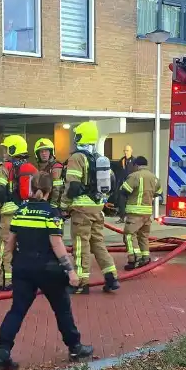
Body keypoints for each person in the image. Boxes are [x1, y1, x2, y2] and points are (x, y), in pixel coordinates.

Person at [0, 172, 95, 370]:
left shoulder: (20, 211)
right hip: (49, 270)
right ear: (50, 191)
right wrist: (71, 272)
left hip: (23, 269)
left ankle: (2, 351)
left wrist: (12, 264)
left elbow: (10, 242)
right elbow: (57, 245)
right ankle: (75, 347)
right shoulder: (51, 212)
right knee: (62, 309)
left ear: (31, 189)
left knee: (17, 310)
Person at [63, 121, 121, 294]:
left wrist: (63, 206)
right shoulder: (99, 158)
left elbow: (72, 187)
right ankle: (111, 277)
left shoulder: (77, 158)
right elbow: (111, 184)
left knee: (81, 245)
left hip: (81, 209)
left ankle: (81, 283)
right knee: (98, 244)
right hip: (97, 208)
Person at [0, 134, 32, 291]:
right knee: (25, 248)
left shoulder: (5, 167)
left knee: (6, 247)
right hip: (27, 214)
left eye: (6, 149)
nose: (4, 152)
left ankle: (5, 281)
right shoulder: (29, 168)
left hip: (9, 214)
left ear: (13, 149)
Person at [120, 155, 159, 270]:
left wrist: (121, 210)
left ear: (136, 165)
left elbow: (124, 191)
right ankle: (145, 257)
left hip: (135, 213)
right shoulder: (154, 177)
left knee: (128, 235)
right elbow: (158, 193)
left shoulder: (134, 176)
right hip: (147, 213)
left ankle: (134, 258)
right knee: (143, 236)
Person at [34, 138, 65, 210]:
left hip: (53, 204)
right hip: (42, 203)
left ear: (50, 152)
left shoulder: (56, 166)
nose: (44, 153)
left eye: (46, 151)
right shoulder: (38, 168)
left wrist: (53, 206)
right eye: (41, 151)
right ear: (37, 154)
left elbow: (57, 188)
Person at [113, 145, 134, 223]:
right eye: (125, 150)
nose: (126, 152)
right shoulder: (122, 160)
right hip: (122, 184)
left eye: (127, 150)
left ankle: (130, 218)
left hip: (131, 185)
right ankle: (122, 218)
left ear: (131, 151)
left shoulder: (134, 161)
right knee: (121, 201)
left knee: (130, 202)